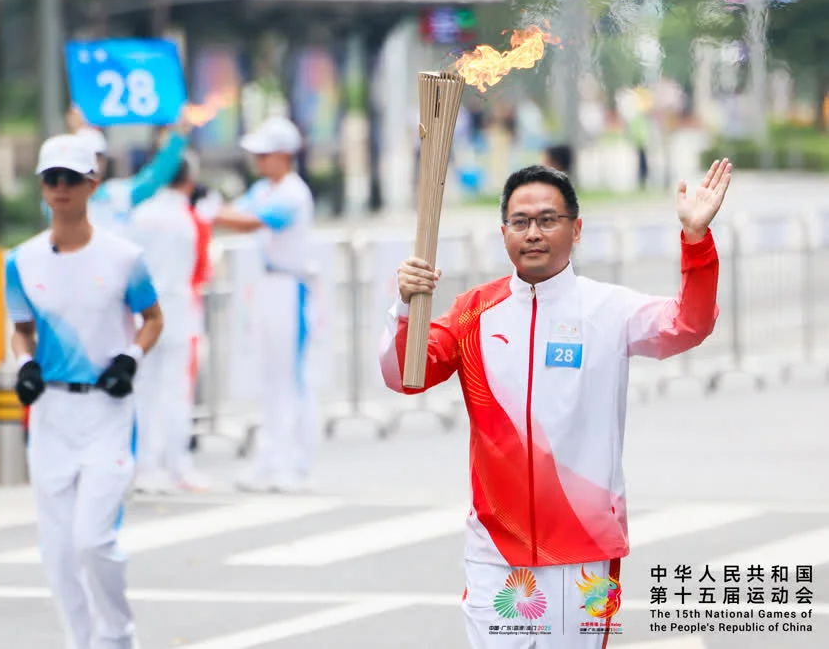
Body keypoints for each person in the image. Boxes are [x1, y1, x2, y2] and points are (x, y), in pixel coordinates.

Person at [381, 159, 732, 647]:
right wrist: (405, 308)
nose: (533, 234)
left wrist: (696, 240)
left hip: (585, 550)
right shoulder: (473, 314)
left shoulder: (609, 311)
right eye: (520, 222)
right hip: (496, 552)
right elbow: (403, 377)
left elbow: (689, 324)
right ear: (503, 232)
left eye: (548, 220)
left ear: (577, 229)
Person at [4, 132, 163, 649]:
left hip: (107, 410)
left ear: (91, 183)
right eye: (53, 179)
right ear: (42, 188)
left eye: (72, 178)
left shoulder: (124, 257)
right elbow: (21, 328)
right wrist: (24, 363)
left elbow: (153, 318)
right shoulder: (20, 261)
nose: (62, 188)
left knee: (93, 539)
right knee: (57, 549)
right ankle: (80, 641)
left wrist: (130, 358)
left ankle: (117, 636)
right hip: (51, 413)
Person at [210, 116, 316, 493]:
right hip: (268, 284)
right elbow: (237, 212)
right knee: (269, 378)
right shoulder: (264, 189)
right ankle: (268, 461)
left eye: (264, 153)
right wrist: (211, 209)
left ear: (284, 155)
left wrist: (205, 211)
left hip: (291, 287)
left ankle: (293, 463)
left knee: (288, 378)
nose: (258, 159)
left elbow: (248, 222)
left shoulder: (292, 193)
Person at [128, 154, 210, 493]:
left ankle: (144, 466)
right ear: (188, 181)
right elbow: (197, 268)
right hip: (177, 311)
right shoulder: (188, 218)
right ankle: (178, 466)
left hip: (143, 312)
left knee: (142, 390)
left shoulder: (140, 215)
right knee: (176, 391)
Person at [63, 105, 190, 236]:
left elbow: (155, 176)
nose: (92, 162)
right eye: (84, 155)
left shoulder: (118, 194)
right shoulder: (60, 195)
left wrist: (177, 137)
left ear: (104, 160)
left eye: (98, 156)